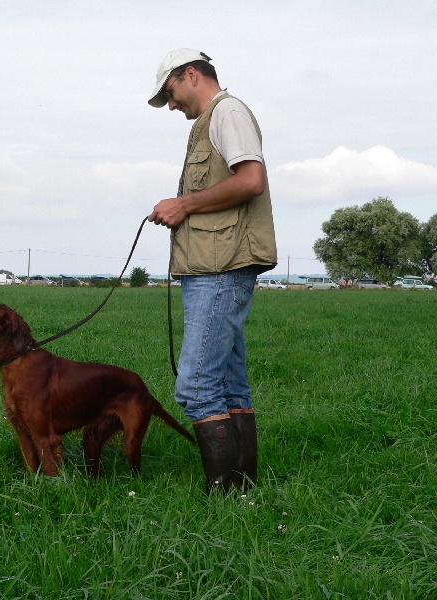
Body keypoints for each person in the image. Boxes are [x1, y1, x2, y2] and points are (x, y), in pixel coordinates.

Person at [147, 49, 277, 493]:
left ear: (190, 75)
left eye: (170, 93)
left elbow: (251, 180)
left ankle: (223, 494)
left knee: (198, 385)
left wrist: (182, 203)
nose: (170, 105)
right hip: (214, 267)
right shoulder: (211, 121)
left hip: (221, 269)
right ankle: (242, 490)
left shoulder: (228, 112)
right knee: (227, 383)